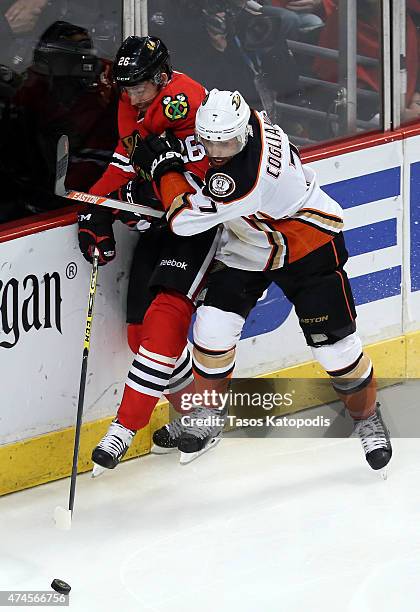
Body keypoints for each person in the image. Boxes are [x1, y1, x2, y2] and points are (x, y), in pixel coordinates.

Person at [132, 88, 393, 471]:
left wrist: (164, 171)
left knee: (335, 350)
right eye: (211, 143)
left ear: (244, 135)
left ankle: (367, 417)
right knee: (210, 330)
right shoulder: (246, 118)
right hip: (251, 243)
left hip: (307, 244)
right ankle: (207, 413)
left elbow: (183, 221)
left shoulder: (247, 180)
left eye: (227, 144)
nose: (217, 152)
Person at [78, 35, 221, 473]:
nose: (131, 95)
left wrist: (147, 190)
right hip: (162, 223)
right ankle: (198, 412)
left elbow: (205, 178)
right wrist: (94, 211)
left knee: (167, 316)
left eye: (139, 86)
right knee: (138, 334)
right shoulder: (133, 104)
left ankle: (126, 426)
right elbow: (125, 163)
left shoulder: (186, 102)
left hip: (199, 222)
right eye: (125, 87)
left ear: (161, 77)